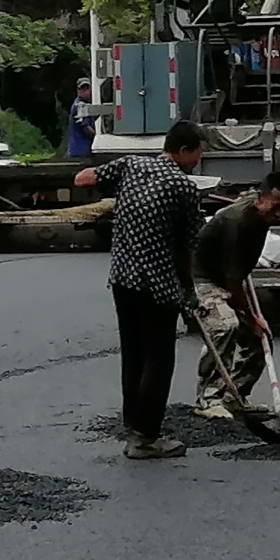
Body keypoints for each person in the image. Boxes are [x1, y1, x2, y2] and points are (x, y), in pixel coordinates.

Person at [76, 123, 208, 458]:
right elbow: (186, 248)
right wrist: (188, 291)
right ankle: (147, 437)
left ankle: (133, 426)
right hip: (156, 285)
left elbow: (84, 178)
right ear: (183, 151)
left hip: (122, 279)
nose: (198, 160)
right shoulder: (184, 188)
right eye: (197, 153)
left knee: (133, 355)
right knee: (159, 359)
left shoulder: (131, 165)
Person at [191, 171, 280, 416]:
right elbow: (232, 280)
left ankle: (234, 395)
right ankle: (208, 398)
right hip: (202, 278)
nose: (279, 214)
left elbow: (236, 277)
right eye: (276, 207)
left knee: (262, 337)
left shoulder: (260, 213)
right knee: (226, 325)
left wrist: (256, 322)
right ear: (260, 199)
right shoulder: (237, 221)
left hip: (229, 277)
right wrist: (250, 316)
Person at [66, 80, 101, 157]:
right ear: (78, 91)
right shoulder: (79, 106)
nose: (85, 91)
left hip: (81, 150)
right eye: (83, 89)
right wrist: (100, 139)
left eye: (87, 88)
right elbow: (87, 129)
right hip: (79, 151)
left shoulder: (86, 105)